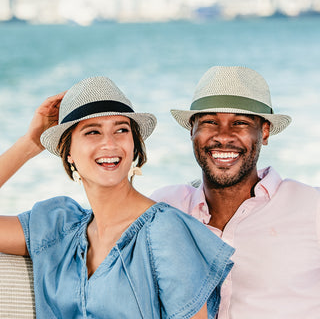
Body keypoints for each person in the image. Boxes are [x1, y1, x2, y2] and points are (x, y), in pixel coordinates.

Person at [0, 76, 234, 318]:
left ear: (134, 145)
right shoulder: (59, 229)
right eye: (93, 132)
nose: (109, 143)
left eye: (121, 130)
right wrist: (29, 144)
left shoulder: (166, 232)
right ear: (68, 151)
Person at [150, 66, 320, 319]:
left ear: (264, 132)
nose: (223, 136)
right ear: (192, 131)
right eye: (209, 122)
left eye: (240, 123)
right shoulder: (164, 207)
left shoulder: (311, 206)